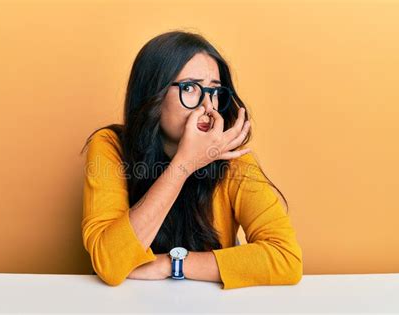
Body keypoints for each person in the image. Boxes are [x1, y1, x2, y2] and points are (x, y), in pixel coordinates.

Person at [80, 30, 303, 290]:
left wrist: (171, 264)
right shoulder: (110, 147)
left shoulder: (235, 161)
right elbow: (110, 263)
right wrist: (184, 165)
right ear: (154, 93)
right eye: (189, 88)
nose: (207, 106)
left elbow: (286, 259)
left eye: (214, 91)